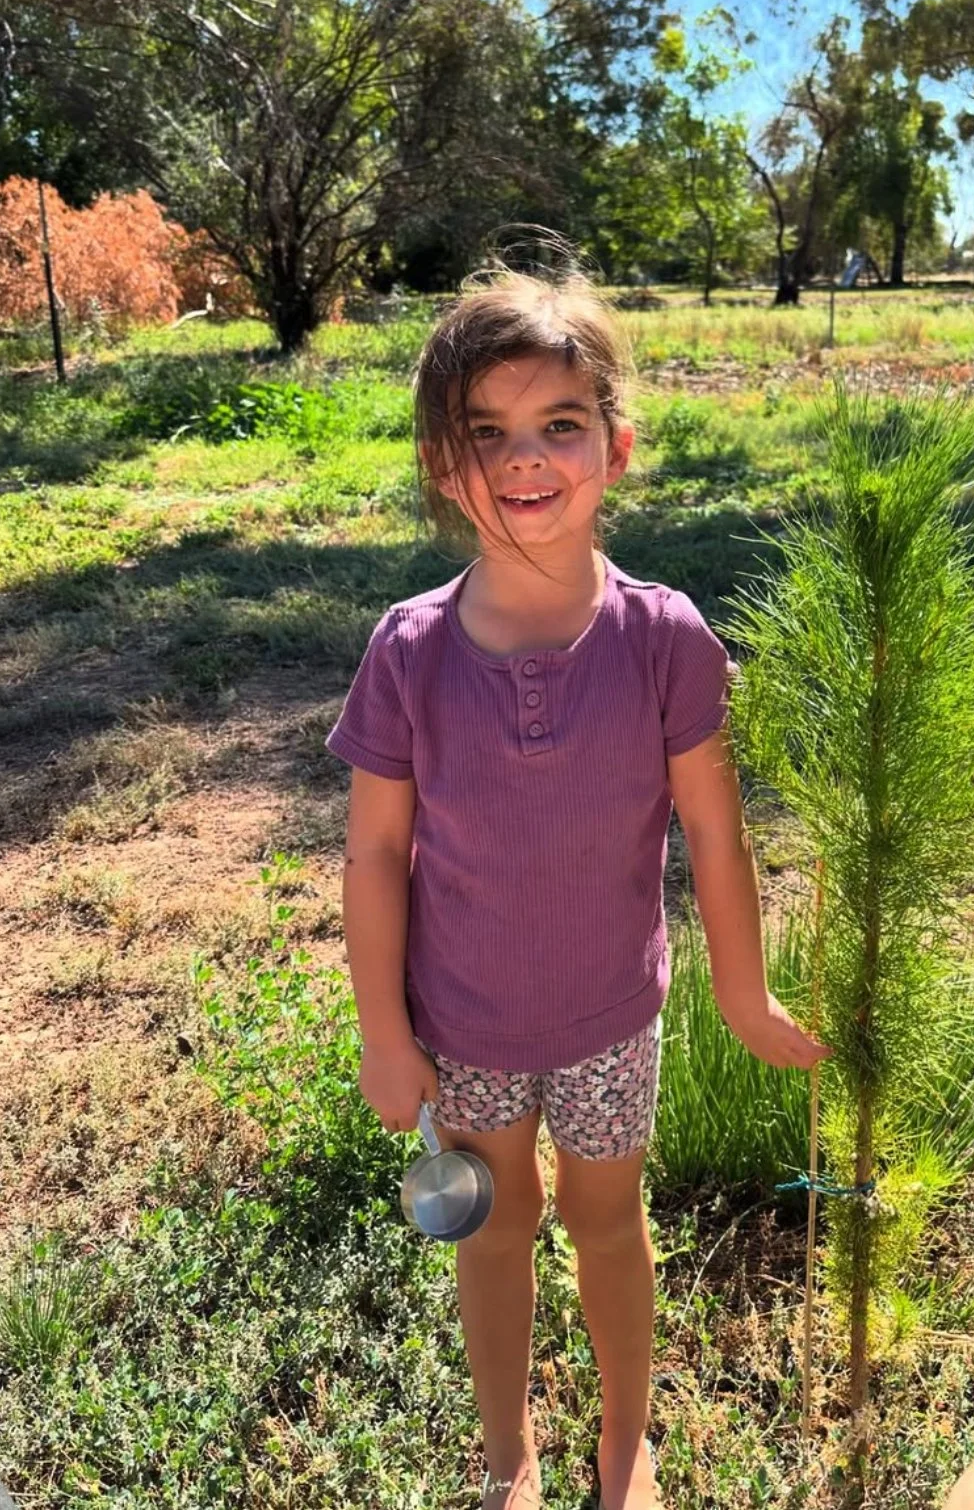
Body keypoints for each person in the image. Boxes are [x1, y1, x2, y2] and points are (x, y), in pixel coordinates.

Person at [326, 262, 830, 1510]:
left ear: (616, 443)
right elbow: (376, 855)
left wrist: (747, 995)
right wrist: (384, 1036)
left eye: (559, 424)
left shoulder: (664, 638)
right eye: (486, 434)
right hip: (465, 1029)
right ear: (446, 465)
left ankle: (624, 1444)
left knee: (608, 1225)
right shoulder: (407, 652)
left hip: (613, 1022)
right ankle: (510, 1457)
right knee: (491, 1233)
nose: (525, 459)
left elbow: (714, 833)